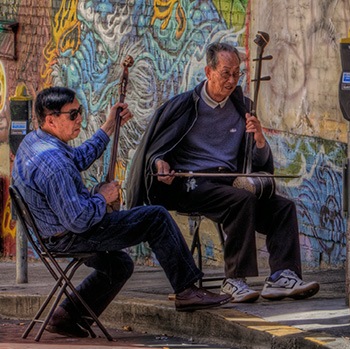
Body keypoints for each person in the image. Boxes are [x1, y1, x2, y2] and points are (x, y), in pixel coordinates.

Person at [12, 87, 232, 338]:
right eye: (72, 115)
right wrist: (102, 197)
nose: (80, 119)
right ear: (51, 119)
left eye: (80, 111)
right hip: (71, 234)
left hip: (50, 236)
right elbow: (79, 219)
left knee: (120, 265)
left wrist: (108, 127)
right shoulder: (54, 163)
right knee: (156, 218)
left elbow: (79, 158)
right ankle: (186, 290)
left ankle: (66, 316)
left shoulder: (35, 142)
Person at [126, 42, 320, 303]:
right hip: (193, 183)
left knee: (281, 207)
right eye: (225, 73)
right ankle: (234, 280)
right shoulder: (185, 106)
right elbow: (157, 149)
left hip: (230, 181)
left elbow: (259, 163)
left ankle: (282, 276)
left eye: (236, 74)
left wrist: (260, 140)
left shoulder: (243, 107)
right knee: (241, 200)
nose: (231, 81)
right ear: (209, 71)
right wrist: (159, 163)